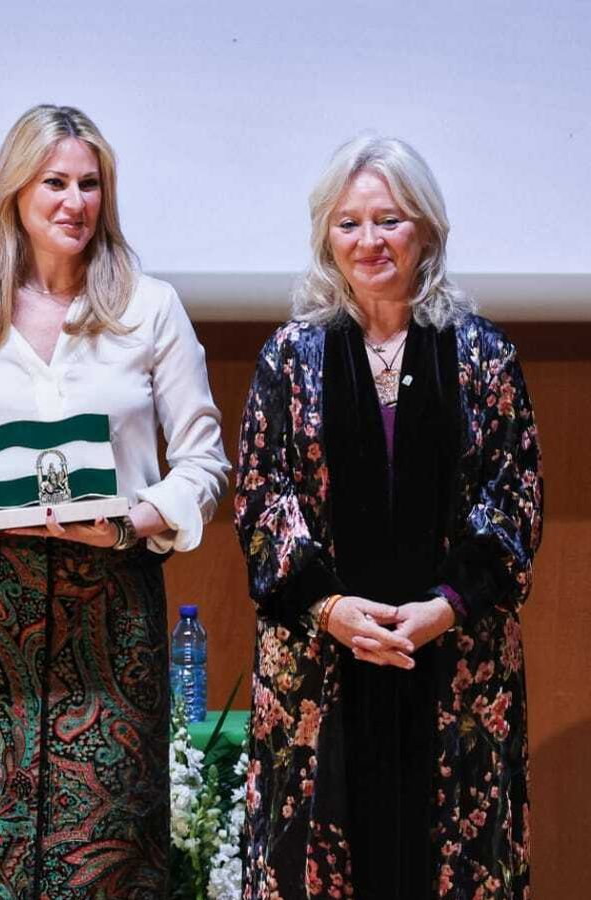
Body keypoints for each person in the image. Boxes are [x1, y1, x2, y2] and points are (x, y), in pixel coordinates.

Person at [0, 104, 229, 897]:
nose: (75, 202)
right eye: (55, 182)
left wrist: (128, 522)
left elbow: (203, 465)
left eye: (90, 184)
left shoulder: (150, 309)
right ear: (16, 192)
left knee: (107, 860)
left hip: (112, 622)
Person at [235, 135, 540, 897]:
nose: (369, 241)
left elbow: (514, 495)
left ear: (426, 230)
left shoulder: (482, 356)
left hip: (455, 665)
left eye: (390, 220)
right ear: (325, 237)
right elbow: (261, 495)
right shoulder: (290, 358)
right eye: (349, 223)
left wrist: (447, 606)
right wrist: (331, 607)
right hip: (321, 665)